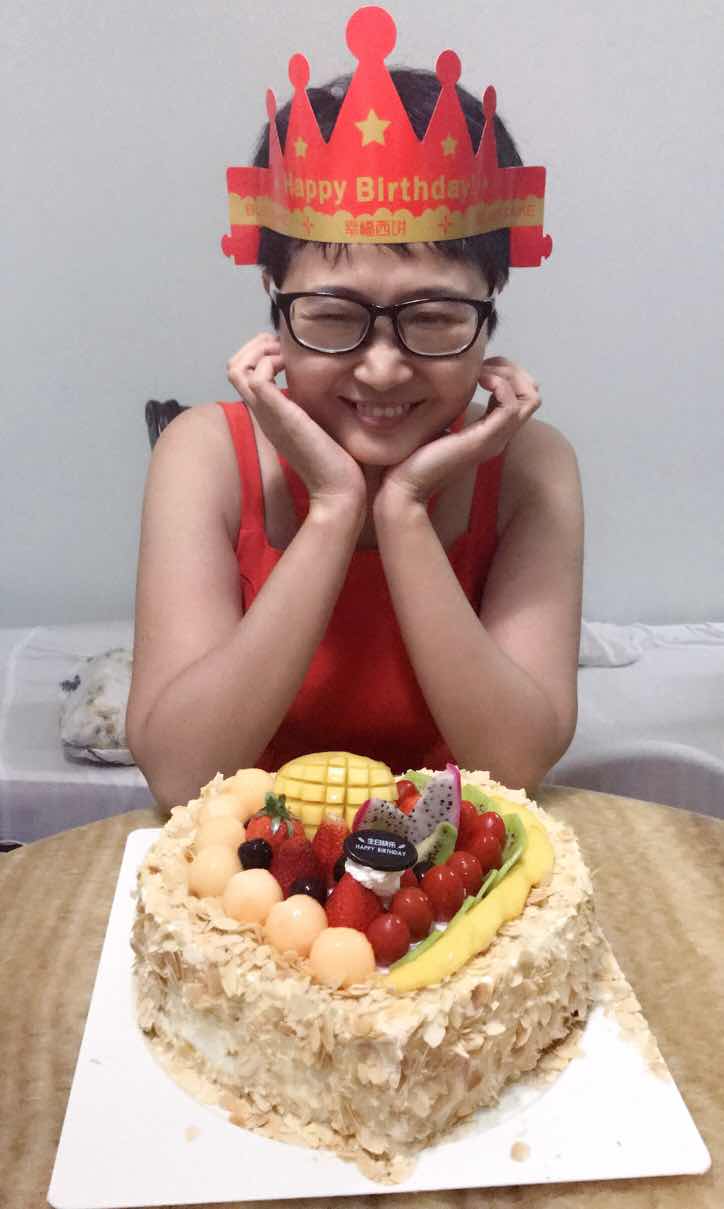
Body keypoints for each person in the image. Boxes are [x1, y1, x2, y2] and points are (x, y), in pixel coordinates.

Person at [126, 53, 583, 811]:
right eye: (334, 317)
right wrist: (335, 507)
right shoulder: (204, 455)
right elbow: (179, 776)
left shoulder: (532, 465)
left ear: (491, 309)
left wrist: (404, 509)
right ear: (275, 305)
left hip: (455, 866)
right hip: (250, 868)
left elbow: (515, 765)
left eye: (434, 318)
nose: (381, 368)